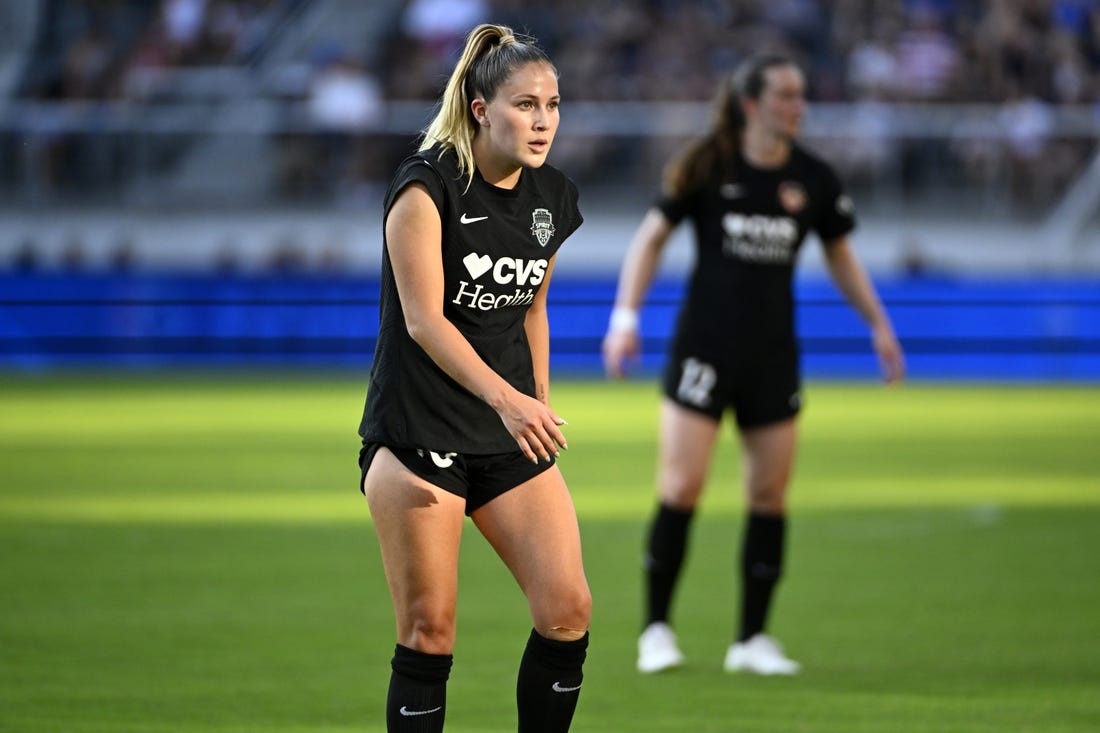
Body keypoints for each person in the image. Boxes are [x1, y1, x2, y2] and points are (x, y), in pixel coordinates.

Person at [602, 53, 905, 676]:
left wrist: (878, 324)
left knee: (769, 494)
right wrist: (625, 319)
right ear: (752, 105)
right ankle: (656, 630)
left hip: (773, 354)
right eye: (787, 94)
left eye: (801, 94)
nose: (800, 104)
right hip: (704, 350)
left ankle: (752, 640)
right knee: (681, 487)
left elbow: (841, 255)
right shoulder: (707, 165)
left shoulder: (814, 177)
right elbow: (650, 237)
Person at [357, 23, 590, 732]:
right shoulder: (425, 187)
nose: (543, 120)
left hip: (505, 435)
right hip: (418, 433)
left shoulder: (553, 196)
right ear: (482, 109)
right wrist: (509, 399)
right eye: (525, 104)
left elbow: (534, 307)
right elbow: (425, 321)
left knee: (567, 610)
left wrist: (537, 404)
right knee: (430, 631)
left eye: (552, 104)